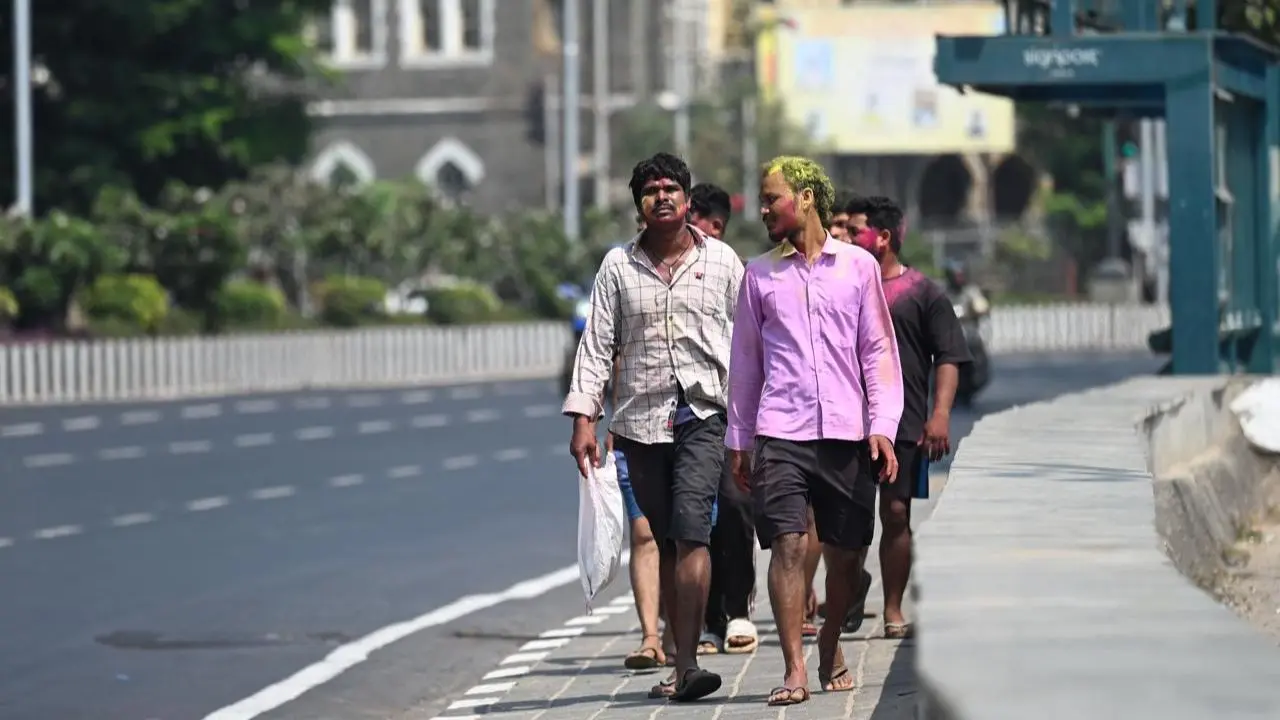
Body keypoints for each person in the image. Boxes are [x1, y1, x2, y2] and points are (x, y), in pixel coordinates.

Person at [564, 152, 745, 702]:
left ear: (687, 200)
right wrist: (584, 419)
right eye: (650, 190)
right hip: (641, 424)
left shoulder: (722, 261)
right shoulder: (617, 267)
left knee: (692, 531)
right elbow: (597, 344)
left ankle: (689, 662)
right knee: (665, 538)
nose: (661, 197)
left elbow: (751, 341)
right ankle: (676, 653)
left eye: (671, 188)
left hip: (705, 415)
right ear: (639, 204)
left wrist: (756, 419)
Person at [727, 156, 904, 707]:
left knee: (848, 556)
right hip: (781, 430)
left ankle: (830, 640)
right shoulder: (758, 275)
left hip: (848, 433)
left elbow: (878, 351)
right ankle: (794, 668)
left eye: (771, 198)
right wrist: (740, 440)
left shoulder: (857, 267)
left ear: (805, 198)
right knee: (786, 544)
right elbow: (746, 363)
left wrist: (883, 426)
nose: (762, 210)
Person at [847, 196, 970, 638]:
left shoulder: (923, 292)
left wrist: (940, 415)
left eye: (856, 230)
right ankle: (850, 587)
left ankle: (893, 609)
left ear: (882, 237)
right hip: (846, 420)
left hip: (903, 422)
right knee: (846, 519)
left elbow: (949, 356)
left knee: (896, 512)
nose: (847, 237)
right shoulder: (839, 285)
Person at [684, 181, 760, 657]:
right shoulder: (663, 269)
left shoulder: (732, 269)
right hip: (684, 417)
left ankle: (738, 610)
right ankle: (708, 622)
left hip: (733, 414)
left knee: (734, 509)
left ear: (715, 226)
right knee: (694, 519)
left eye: (696, 219)